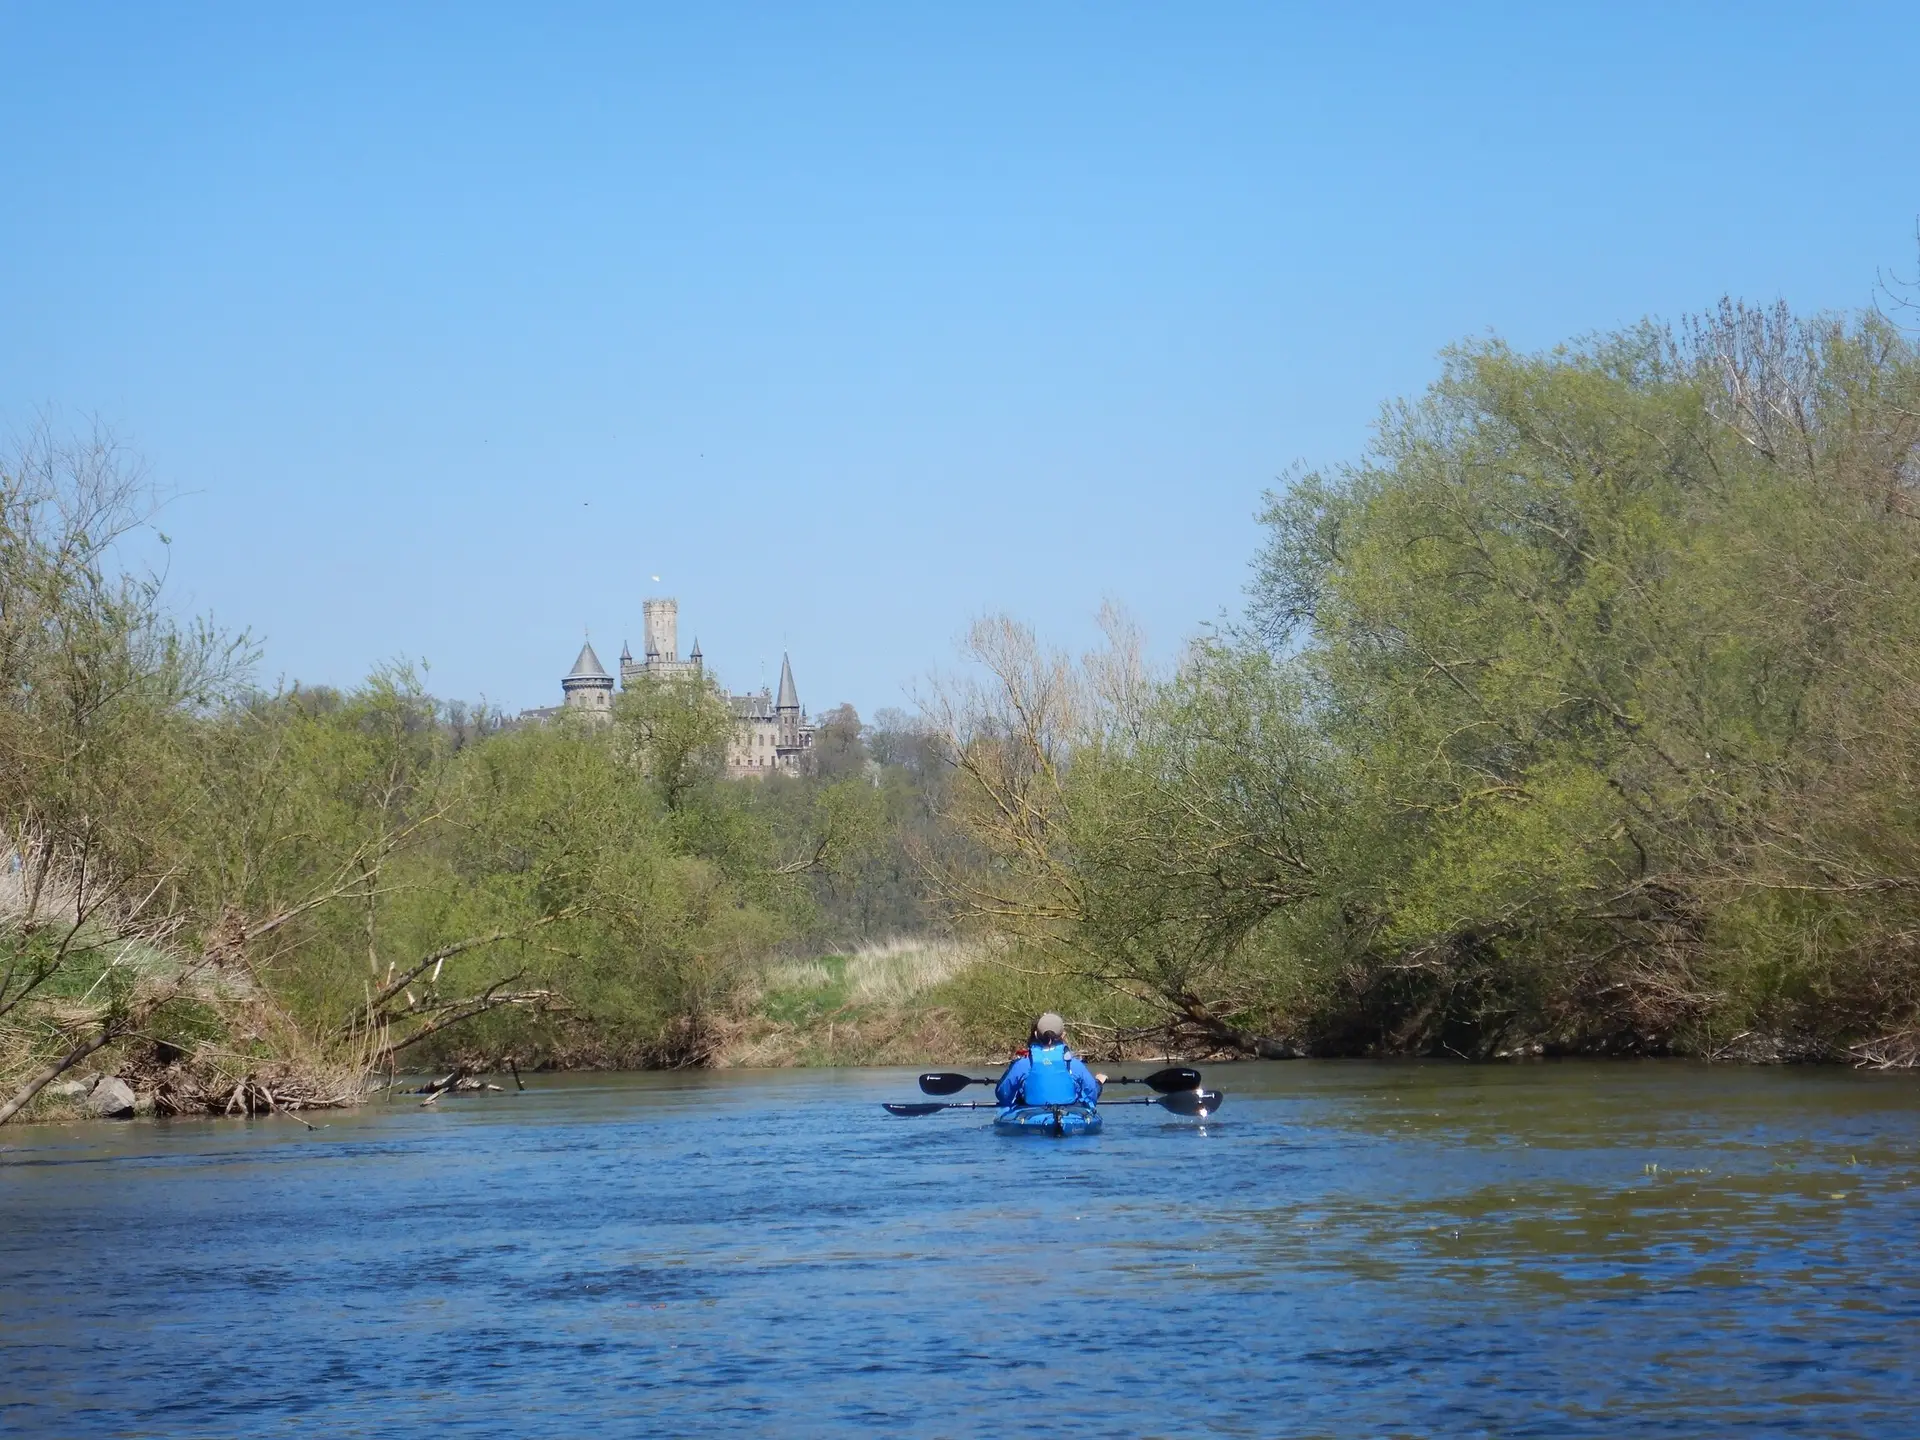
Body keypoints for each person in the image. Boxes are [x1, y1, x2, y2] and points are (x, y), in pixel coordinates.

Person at [995, 1012, 1105, 1109]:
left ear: (1036, 1034)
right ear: (1063, 1035)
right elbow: (1092, 1093)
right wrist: (1099, 1082)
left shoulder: (1022, 1065)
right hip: (1069, 1114)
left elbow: (1003, 1094)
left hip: (1031, 1115)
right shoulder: (1075, 1065)